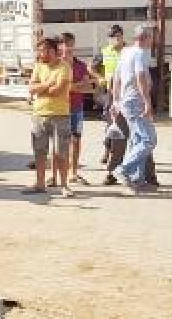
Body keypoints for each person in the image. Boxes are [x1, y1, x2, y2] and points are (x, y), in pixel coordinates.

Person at [110, 24, 157, 195]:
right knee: (148, 140)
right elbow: (140, 77)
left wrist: (116, 100)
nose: (153, 40)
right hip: (136, 101)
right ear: (145, 37)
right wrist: (147, 102)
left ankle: (137, 178)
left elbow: (116, 77)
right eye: (151, 37)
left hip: (126, 101)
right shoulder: (140, 53)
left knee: (137, 140)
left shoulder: (126, 52)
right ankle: (124, 169)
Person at [24, 37, 74, 197]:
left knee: (61, 152)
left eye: (43, 50)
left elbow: (58, 91)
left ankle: (64, 185)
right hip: (39, 114)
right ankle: (40, 184)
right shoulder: (38, 66)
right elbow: (31, 88)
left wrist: (41, 88)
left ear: (53, 51)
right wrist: (46, 85)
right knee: (39, 151)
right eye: (39, 50)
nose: (40, 53)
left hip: (60, 115)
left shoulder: (64, 67)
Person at [61, 33, 93, 187]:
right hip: (60, 109)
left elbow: (88, 86)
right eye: (65, 44)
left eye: (70, 44)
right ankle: (60, 174)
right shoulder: (57, 65)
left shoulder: (80, 65)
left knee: (76, 140)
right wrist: (77, 85)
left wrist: (72, 86)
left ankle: (73, 173)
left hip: (77, 108)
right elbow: (59, 87)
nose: (67, 47)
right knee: (61, 142)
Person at [96, 24, 125, 166]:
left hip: (126, 93)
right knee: (110, 123)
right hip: (110, 93)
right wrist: (99, 77)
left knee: (126, 124)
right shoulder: (105, 51)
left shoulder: (128, 51)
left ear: (122, 36)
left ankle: (122, 154)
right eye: (111, 37)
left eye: (117, 36)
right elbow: (92, 67)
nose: (114, 39)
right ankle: (107, 151)